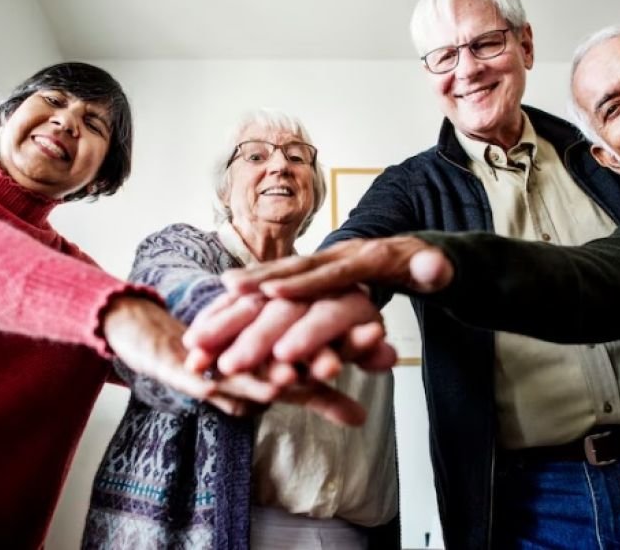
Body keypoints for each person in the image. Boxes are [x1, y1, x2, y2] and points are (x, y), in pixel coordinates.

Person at [186, 0, 620, 549]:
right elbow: (360, 243)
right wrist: (324, 295)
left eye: (486, 43)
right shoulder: (410, 186)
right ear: (429, 73)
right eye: (443, 56)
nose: (468, 69)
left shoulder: (609, 151)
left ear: (525, 45)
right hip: (531, 502)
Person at [0, 61, 250, 547]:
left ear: (100, 178)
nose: (67, 120)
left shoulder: (84, 275)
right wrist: (116, 311)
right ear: (9, 114)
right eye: (54, 100)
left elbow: (169, 362)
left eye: (94, 124)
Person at [83, 109, 399, 550]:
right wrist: (224, 319)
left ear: (314, 189)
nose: (280, 165)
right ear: (225, 188)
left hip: (349, 534)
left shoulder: (337, 286)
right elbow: (167, 284)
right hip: (217, 532)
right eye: (254, 155)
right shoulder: (183, 248)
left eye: (297, 157)